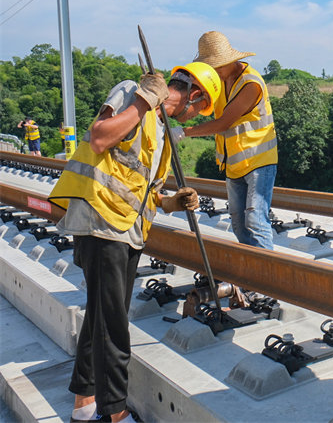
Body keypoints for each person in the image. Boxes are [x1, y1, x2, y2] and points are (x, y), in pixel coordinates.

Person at [48, 62, 221, 423]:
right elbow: (99, 137)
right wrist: (144, 99)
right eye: (200, 110)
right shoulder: (133, 92)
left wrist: (172, 202)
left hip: (127, 229)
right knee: (113, 323)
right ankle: (115, 412)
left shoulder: (161, 131)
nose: (193, 119)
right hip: (99, 220)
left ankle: (84, 403)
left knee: (103, 314)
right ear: (195, 95)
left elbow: (147, 190)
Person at [172, 31, 278, 250]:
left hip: (259, 160)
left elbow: (224, 123)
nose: (215, 71)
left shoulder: (251, 84)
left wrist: (184, 132)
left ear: (230, 61)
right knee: (239, 224)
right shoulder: (219, 81)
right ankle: (251, 270)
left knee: (256, 222)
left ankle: (266, 276)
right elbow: (198, 107)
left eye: (217, 66)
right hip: (234, 163)